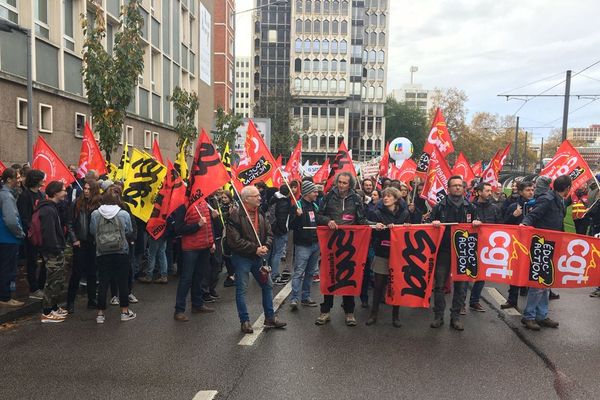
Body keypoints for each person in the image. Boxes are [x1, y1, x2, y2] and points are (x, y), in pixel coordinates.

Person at [227, 185, 286, 334]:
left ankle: (270, 317)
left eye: (259, 195)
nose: (260, 197)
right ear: (247, 199)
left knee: (267, 286)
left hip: (258, 258)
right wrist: (255, 248)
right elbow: (234, 241)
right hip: (242, 259)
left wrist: (265, 246)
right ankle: (245, 321)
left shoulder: (260, 213)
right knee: (242, 290)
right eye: (256, 196)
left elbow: (269, 233)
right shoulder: (235, 215)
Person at [317, 171, 371, 327]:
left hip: (350, 245)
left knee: (348, 277)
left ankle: (349, 312)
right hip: (331, 243)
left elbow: (361, 220)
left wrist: (375, 225)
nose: (341, 185)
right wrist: (328, 221)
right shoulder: (328, 197)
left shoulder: (356, 199)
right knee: (330, 275)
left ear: (350, 184)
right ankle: (325, 311)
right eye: (339, 182)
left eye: (344, 183)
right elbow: (319, 215)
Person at [519, 175, 571, 331]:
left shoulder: (558, 199)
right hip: (541, 245)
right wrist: (524, 224)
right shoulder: (547, 199)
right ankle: (529, 316)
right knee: (538, 283)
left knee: (546, 282)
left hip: (552, 244)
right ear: (567, 188)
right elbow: (533, 215)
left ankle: (541, 315)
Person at [428, 175, 481, 331]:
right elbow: (429, 224)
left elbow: (479, 226)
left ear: (463, 188)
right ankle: (438, 316)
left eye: (460, 185)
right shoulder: (439, 206)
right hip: (444, 250)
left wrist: (477, 223)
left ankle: (455, 317)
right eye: (454, 185)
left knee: (461, 285)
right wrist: (434, 223)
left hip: (462, 252)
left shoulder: (471, 207)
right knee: (439, 285)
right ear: (449, 188)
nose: (458, 187)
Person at [90, 187, 135, 324]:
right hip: (121, 251)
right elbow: (129, 231)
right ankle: (124, 312)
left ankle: (100, 314)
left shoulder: (95, 214)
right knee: (122, 282)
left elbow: (92, 231)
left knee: (103, 282)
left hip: (102, 252)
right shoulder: (123, 214)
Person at [366, 187, 408, 327]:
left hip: (398, 254)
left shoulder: (405, 213)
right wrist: (379, 228)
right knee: (378, 285)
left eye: (389, 196)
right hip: (382, 252)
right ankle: (374, 314)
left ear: (396, 199)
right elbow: (373, 234)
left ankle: (395, 316)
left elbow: (411, 231)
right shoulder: (377, 213)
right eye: (384, 196)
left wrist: (405, 227)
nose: (385, 198)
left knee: (396, 285)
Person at [172, 199, 216, 322]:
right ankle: (179, 310)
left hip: (204, 246)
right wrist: (197, 225)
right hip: (191, 248)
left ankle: (197, 304)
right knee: (186, 278)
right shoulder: (183, 205)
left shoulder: (203, 202)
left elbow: (208, 225)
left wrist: (211, 242)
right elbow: (179, 228)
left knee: (199, 276)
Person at [288, 181, 329, 310]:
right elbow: (290, 226)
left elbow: (318, 219)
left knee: (310, 273)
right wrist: (297, 216)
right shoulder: (297, 205)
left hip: (315, 244)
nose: (317, 193)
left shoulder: (314, 206)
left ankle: (306, 297)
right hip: (302, 245)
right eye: (314, 192)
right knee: (299, 272)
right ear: (307, 193)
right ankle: (294, 298)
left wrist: (328, 221)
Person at [36, 181, 70, 323]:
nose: (66, 192)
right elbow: (49, 233)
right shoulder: (48, 210)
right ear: (55, 193)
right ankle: (47, 312)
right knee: (52, 281)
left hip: (55, 249)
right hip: (52, 251)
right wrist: (56, 248)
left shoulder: (52, 207)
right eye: (63, 190)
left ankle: (54, 307)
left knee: (58, 280)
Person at [66, 180, 101, 313]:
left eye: (89, 189)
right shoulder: (76, 203)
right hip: (80, 243)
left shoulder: (99, 204)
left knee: (92, 273)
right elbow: (69, 223)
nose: (86, 191)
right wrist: (74, 239)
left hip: (93, 243)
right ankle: (70, 302)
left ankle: (92, 300)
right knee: (77, 273)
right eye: (85, 188)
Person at [467, 182, 502, 313]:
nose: (489, 193)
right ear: (479, 192)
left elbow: (500, 226)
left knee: (481, 275)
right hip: (471, 244)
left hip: (486, 246)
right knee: (466, 274)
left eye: (490, 190)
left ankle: (474, 301)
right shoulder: (470, 207)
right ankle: (460, 304)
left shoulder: (494, 208)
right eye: (486, 191)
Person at [501, 181, 535, 309]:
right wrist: (513, 216)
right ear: (521, 192)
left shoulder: (537, 205)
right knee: (515, 271)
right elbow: (504, 225)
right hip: (517, 244)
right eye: (528, 190)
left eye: (532, 189)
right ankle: (512, 299)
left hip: (532, 243)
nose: (531, 192)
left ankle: (529, 299)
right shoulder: (513, 206)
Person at [17, 169, 46, 299]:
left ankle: (40, 285)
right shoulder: (25, 196)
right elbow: (24, 216)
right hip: (31, 234)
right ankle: (33, 289)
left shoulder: (40, 195)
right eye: (41, 178)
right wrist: (30, 229)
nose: (43, 181)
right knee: (32, 261)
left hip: (41, 232)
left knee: (43, 260)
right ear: (36, 180)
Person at [0, 168, 26, 307]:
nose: (20, 180)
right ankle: (5, 297)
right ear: (9, 180)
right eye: (17, 177)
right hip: (8, 238)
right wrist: (20, 233)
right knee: (7, 268)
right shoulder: (7, 196)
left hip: (5, 238)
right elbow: (10, 220)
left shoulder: (6, 194)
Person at [266, 184, 292, 285]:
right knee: (278, 253)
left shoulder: (274, 198)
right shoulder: (283, 202)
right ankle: (275, 275)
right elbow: (282, 219)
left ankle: (269, 273)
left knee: (272, 253)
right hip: (279, 231)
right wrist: (284, 230)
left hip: (272, 229)